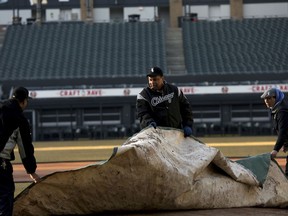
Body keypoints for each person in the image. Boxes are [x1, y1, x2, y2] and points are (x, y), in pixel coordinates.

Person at [0, 87, 40, 216]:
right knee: (5, 197)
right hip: (1, 163)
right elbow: (25, 148)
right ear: (23, 101)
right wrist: (32, 171)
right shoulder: (20, 119)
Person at [136, 66, 194, 137]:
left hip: (176, 132)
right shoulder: (143, 95)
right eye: (150, 80)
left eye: (155, 79)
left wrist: (187, 124)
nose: (152, 82)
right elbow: (143, 114)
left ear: (162, 78)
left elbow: (186, 107)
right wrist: (149, 123)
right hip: (156, 135)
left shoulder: (174, 90)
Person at [261, 87, 288, 177]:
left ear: (276, 98)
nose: (266, 101)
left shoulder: (282, 111)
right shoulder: (278, 108)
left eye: (269, 98)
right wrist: (286, 144)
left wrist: (276, 149)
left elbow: (283, 131)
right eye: (265, 99)